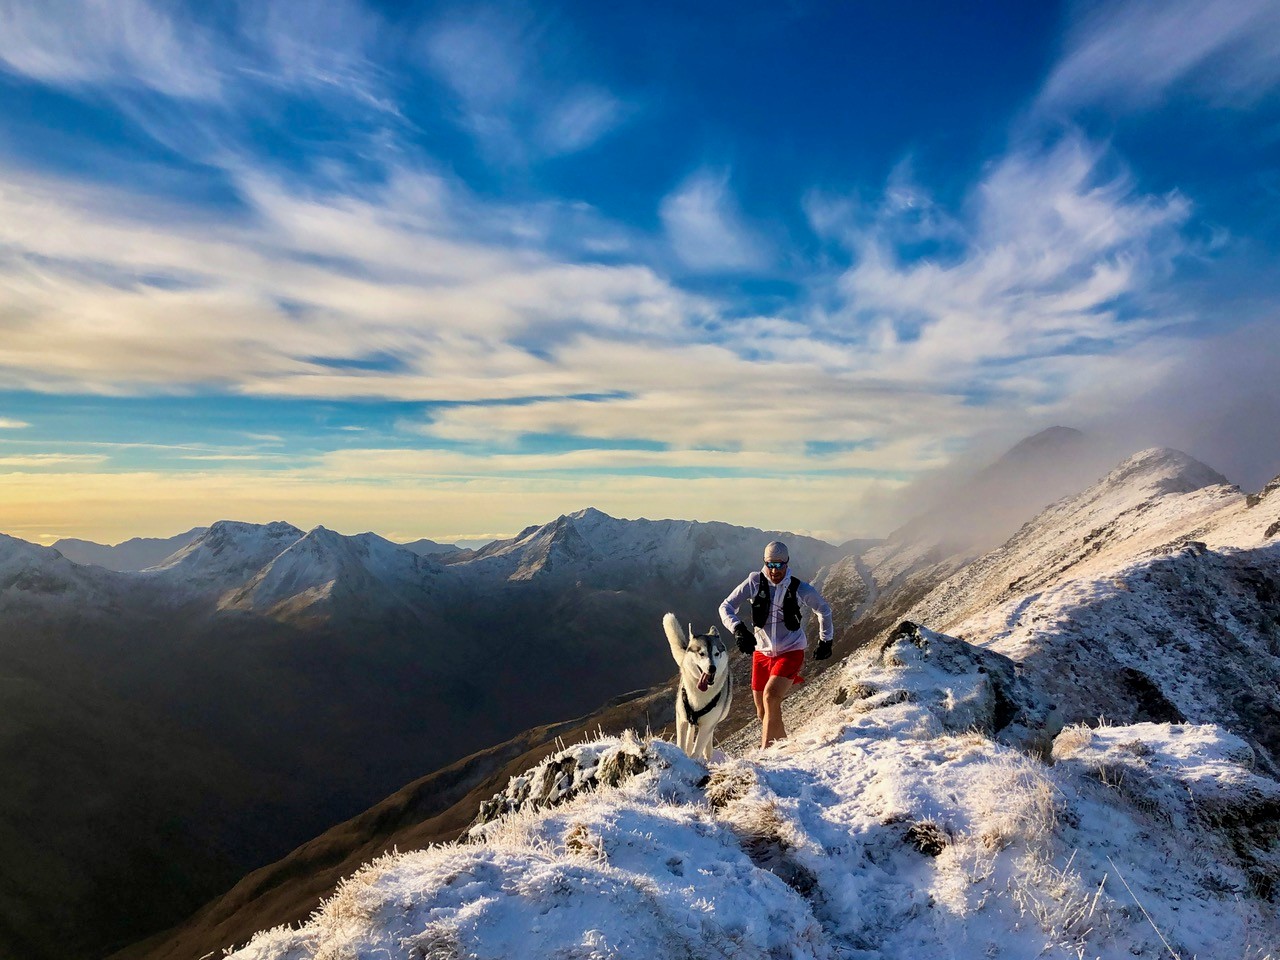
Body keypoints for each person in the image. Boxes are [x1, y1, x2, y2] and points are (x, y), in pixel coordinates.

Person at [719, 540, 833, 748]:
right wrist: (738, 629)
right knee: (762, 712)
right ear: (764, 562)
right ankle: (785, 749)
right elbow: (726, 607)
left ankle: (765, 755)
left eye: (779, 565)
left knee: (771, 697)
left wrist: (826, 640)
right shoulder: (754, 582)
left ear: (787, 563)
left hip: (791, 649)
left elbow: (823, 610)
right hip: (761, 653)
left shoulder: (798, 588)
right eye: (770, 564)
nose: (775, 570)